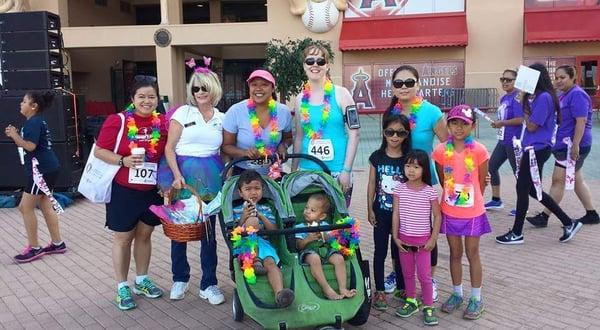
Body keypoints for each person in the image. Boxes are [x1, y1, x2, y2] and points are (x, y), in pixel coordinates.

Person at [94, 79, 168, 310]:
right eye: (142, 96)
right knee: (123, 239)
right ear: (133, 98)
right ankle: (122, 286)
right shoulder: (118, 121)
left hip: (151, 190)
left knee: (145, 236)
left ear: (157, 99)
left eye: (151, 97)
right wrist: (122, 160)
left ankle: (142, 280)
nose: (147, 101)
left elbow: (167, 153)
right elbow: (99, 151)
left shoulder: (163, 123)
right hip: (123, 190)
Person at [157, 62, 226, 304]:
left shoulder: (221, 117)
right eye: (195, 88)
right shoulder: (182, 113)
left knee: (208, 232)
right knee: (181, 230)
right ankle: (180, 278)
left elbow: (223, 150)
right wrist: (175, 175)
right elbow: (169, 148)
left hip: (212, 178)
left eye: (204, 88)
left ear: (213, 88)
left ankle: (209, 284)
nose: (199, 92)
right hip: (183, 177)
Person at [495, 63, 583, 245]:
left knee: (523, 188)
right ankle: (568, 222)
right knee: (532, 190)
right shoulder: (541, 96)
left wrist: (524, 104)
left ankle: (517, 232)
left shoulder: (544, 98)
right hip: (533, 148)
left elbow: (533, 125)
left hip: (536, 148)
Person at [381, 64, 448, 302]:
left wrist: (454, 175)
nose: (404, 87)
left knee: (425, 227)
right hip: (395, 180)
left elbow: (447, 146)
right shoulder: (390, 113)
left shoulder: (431, 112)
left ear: (418, 84)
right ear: (393, 87)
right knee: (396, 226)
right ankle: (397, 272)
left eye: (409, 82)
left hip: (423, 181)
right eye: (398, 83)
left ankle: (431, 275)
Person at [432, 104, 490, 320]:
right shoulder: (440, 151)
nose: (458, 128)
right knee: (455, 253)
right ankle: (457, 293)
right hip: (449, 209)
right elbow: (442, 179)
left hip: (472, 211)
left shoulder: (479, 150)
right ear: (448, 125)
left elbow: (482, 182)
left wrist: (472, 201)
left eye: (464, 124)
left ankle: (476, 297)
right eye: (454, 123)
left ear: (472, 126)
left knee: (472, 253)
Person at [526, 65, 599, 227]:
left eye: (562, 77)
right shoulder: (564, 95)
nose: (558, 81)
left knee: (558, 180)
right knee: (578, 180)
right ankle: (592, 213)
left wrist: (575, 146)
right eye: (556, 78)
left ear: (573, 77)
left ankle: (544, 216)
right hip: (564, 145)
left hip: (572, 146)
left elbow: (581, 121)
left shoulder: (578, 95)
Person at [292, 43, 360, 205]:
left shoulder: (342, 94)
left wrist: (346, 171)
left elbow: (354, 134)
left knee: (337, 223)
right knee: (309, 219)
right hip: (307, 170)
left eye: (320, 61)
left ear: (327, 66)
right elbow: (299, 138)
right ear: (304, 66)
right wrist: (294, 171)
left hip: (336, 170)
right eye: (310, 61)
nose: (315, 65)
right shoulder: (300, 99)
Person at [5, 91, 66, 263]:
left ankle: (34, 248)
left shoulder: (33, 123)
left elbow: (30, 146)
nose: (21, 104)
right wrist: (17, 134)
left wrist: (14, 135)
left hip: (40, 171)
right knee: (45, 205)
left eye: (24, 101)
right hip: (49, 168)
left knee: (25, 208)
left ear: (33, 106)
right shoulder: (36, 121)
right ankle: (57, 243)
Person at [367, 113, 411, 310]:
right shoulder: (377, 157)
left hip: (401, 216)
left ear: (406, 135)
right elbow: (371, 185)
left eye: (400, 133)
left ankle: (402, 287)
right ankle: (380, 291)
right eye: (390, 132)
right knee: (380, 252)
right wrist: (369, 208)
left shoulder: (409, 159)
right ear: (384, 133)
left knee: (400, 251)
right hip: (381, 213)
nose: (395, 137)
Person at [232, 170, 295, 308]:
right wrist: (243, 217)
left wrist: (261, 216)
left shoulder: (266, 208)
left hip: (264, 243)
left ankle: (280, 294)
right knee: (252, 221)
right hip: (246, 246)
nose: (253, 192)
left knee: (271, 264)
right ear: (240, 192)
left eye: (257, 188)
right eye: (248, 189)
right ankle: (255, 260)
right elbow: (233, 233)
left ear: (262, 190)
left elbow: (273, 231)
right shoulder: (236, 210)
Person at [392, 150, 441, 326]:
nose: (411, 170)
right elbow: (396, 213)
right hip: (404, 241)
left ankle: (428, 306)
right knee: (407, 274)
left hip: (423, 244)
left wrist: (433, 239)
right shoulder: (399, 189)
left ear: (424, 169)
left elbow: (437, 216)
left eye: (416, 166)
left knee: (424, 276)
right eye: (407, 166)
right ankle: (411, 301)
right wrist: (396, 237)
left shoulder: (429, 192)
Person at [222, 69, 293, 175]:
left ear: (273, 88)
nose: (258, 89)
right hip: (243, 174)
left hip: (273, 172)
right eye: (254, 85)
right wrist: (245, 153)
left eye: (264, 84)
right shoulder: (236, 111)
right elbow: (226, 146)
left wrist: (283, 145)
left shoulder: (283, 111)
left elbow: (288, 138)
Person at [294, 193, 356, 300]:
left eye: (312, 210)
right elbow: (298, 246)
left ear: (322, 216)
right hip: (308, 252)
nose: (307, 211)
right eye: (306, 208)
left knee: (339, 258)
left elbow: (333, 241)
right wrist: (307, 239)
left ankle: (343, 288)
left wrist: (325, 235)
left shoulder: (325, 225)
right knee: (314, 258)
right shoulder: (300, 227)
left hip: (325, 250)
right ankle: (326, 288)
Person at [485, 69, 524, 212]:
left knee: (518, 173)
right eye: (503, 79)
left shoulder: (518, 97)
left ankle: (522, 206)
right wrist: (499, 124)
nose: (505, 82)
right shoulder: (504, 98)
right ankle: (496, 200)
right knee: (492, 166)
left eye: (509, 79)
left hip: (514, 140)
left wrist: (503, 123)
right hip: (503, 140)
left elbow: (521, 119)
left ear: (517, 81)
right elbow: (505, 119)